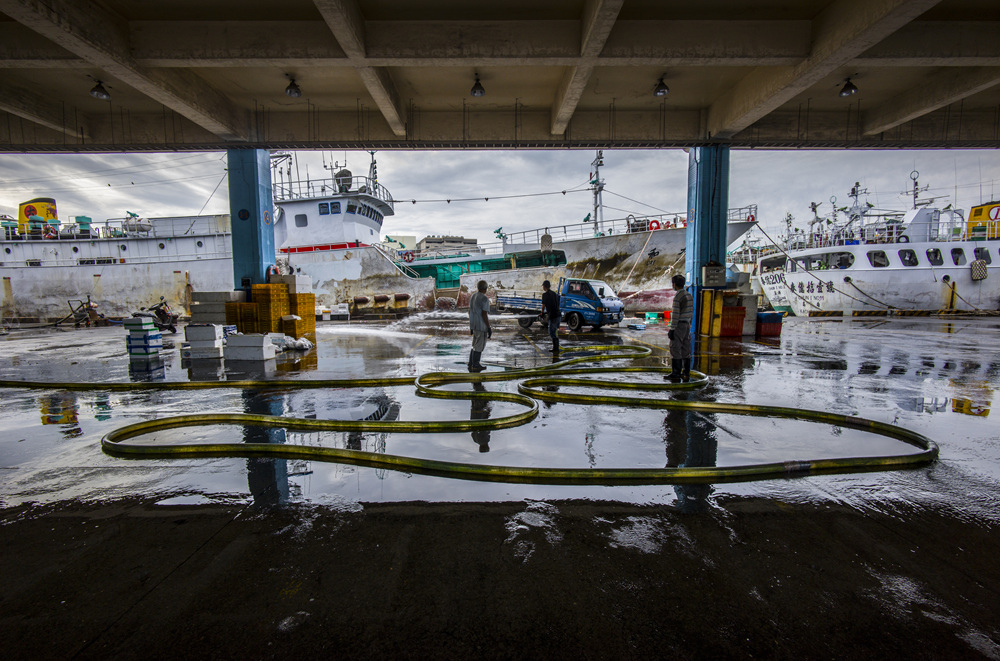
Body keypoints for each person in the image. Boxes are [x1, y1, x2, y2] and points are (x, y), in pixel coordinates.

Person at [667, 274, 693, 382]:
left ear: (674, 284)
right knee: (685, 348)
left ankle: (676, 373)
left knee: (675, 348)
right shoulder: (688, 295)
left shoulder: (678, 296)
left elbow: (676, 314)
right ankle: (686, 372)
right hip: (687, 324)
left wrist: (672, 329)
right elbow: (691, 312)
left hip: (679, 325)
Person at [468, 279, 491, 372]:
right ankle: (476, 364)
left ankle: (471, 363)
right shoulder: (484, 299)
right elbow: (484, 314)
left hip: (474, 325)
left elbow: (470, 311)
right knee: (479, 346)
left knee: (474, 344)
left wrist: (471, 326)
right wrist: (488, 327)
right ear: (485, 288)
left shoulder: (473, 296)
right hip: (481, 326)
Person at [540, 280, 561, 354]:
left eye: (543, 286)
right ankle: (556, 347)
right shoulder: (554, 294)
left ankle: (556, 348)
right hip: (558, 315)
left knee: (551, 332)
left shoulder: (545, 295)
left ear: (545, 287)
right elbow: (556, 304)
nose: (542, 287)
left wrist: (542, 313)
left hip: (553, 316)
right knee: (554, 331)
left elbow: (543, 305)